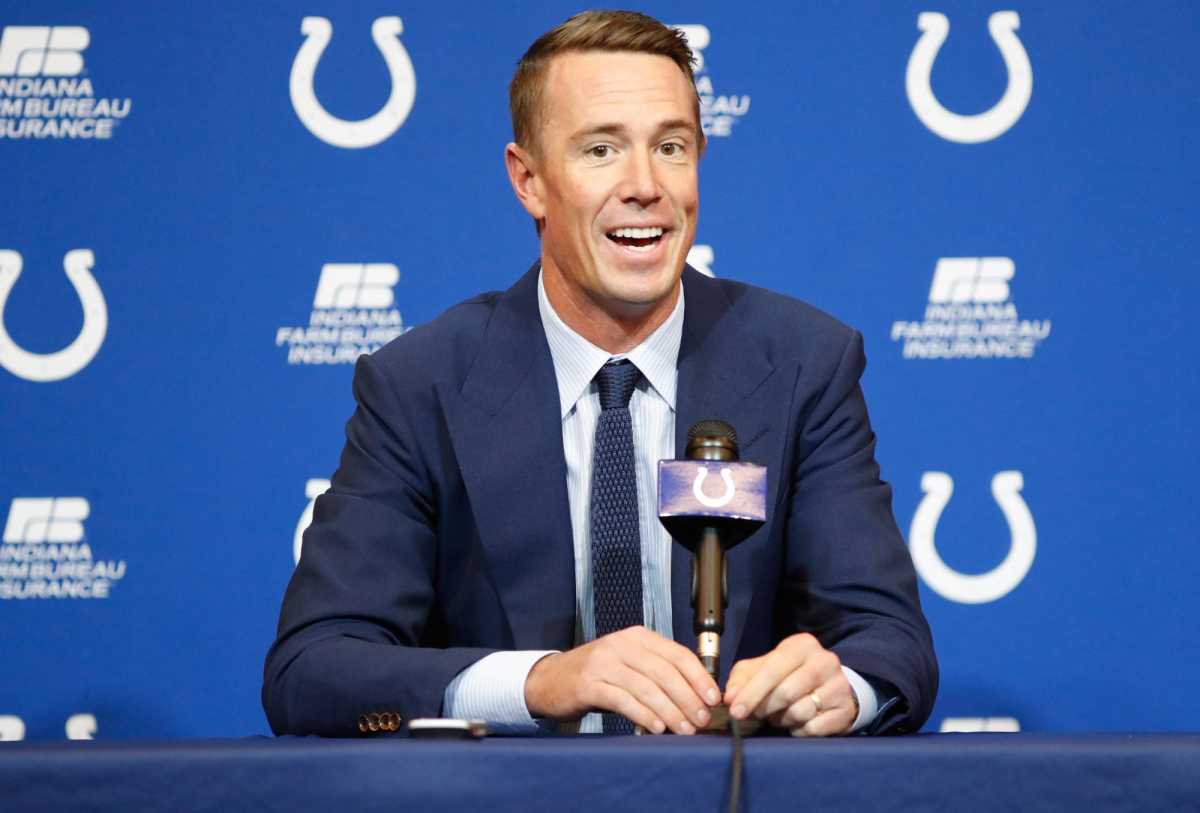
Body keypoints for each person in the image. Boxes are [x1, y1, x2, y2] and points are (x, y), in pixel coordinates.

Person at [263, 10, 937, 738]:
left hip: (730, 787)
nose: (645, 185)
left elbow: (890, 644)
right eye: (601, 150)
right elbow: (312, 669)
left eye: (671, 147)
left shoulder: (804, 364)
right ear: (529, 181)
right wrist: (540, 681)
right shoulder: (419, 386)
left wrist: (840, 688)